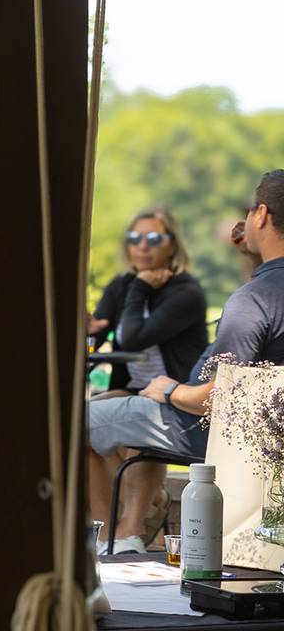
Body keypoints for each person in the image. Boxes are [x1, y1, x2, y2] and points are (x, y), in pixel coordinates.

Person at [88, 170, 284, 554]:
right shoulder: (262, 290)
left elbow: (218, 400)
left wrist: (171, 389)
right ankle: (128, 532)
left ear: (260, 215)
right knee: (120, 411)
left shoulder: (251, 300)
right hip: (267, 433)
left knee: (74, 423)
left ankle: (108, 536)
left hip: (201, 424)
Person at [88, 209, 208, 394]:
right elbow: (90, 348)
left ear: (172, 245)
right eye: (134, 238)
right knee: (78, 415)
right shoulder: (119, 286)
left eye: (154, 239)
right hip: (132, 392)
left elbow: (132, 340)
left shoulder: (186, 293)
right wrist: (88, 334)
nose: (142, 246)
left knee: (88, 417)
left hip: (173, 398)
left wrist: (140, 288)